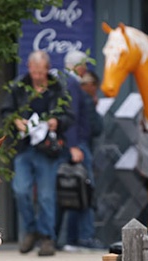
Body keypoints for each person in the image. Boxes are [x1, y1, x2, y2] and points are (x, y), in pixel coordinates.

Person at [0, 50, 73, 256]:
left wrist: (56, 122)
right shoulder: (19, 86)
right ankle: (31, 230)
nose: (39, 76)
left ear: (47, 70)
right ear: (29, 68)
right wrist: (15, 120)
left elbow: (69, 116)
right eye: (35, 72)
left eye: (42, 72)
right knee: (21, 190)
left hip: (47, 150)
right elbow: (5, 111)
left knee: (46, 195)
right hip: (24, 147)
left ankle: (47, 237)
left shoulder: (57, 88)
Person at [60, 50, 104, 250]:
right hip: (79, 146)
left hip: (69, 145)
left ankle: (70, 238)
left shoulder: (61, 83)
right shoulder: (73, 86)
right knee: (85, 190)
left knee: (73, 190)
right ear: (79, 67)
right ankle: (84, 237)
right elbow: (79, 120)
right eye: (84, 66)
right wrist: (75, 146)